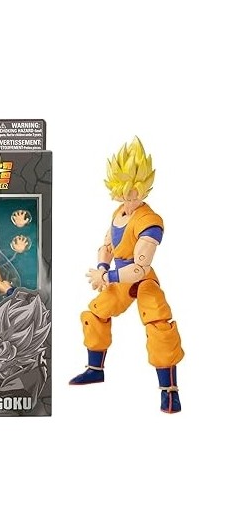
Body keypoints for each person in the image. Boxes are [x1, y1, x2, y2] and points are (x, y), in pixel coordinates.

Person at [69, 137, 184, 413]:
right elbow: (107, 246)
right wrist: (102, 268)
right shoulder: (118, 212)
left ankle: (169, 390)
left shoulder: (150, 222)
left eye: (133, 190)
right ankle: (95, 369)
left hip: (141, 280)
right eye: (122, 191)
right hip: (118, 277)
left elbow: (139, 268)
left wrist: (108, 277)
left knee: (158, 324)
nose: (128, 196)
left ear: (143, 186)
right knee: (95, 313)